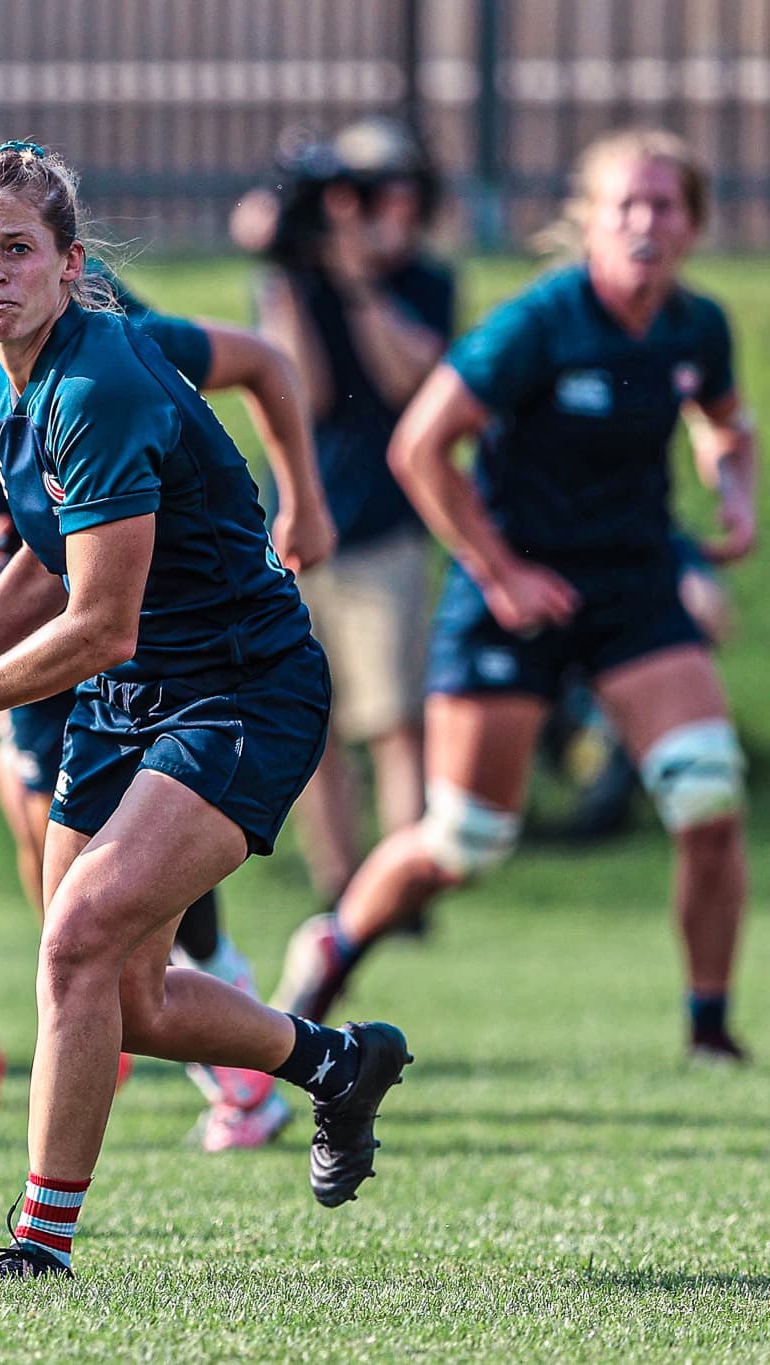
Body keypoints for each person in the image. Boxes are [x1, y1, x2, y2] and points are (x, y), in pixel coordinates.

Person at [0, 142, 412, 1278]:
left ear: (68, 264)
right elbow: (48, 565)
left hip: (239, 691)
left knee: (74, 944)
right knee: (126, 994)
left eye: (18, 248)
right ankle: (335, 1062)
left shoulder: (96, 384)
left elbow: (98, 623)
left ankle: (37, 1245)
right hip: (128, 700)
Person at [274, 129, 757, 1064]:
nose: (644, 223)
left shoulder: (697, 325)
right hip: (514, 592)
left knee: (708, 801)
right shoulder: (539, 323)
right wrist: (500, 571)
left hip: (634, 589)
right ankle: (330, 951)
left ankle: (708, 1029)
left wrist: (733, 492)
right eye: (625, 206)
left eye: (664, 205)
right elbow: (419, 446)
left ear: (692, 223)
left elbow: (726, 425)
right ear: (591, 222)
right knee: (464, 840)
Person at [250, 118, 456, 908]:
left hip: (382, 528)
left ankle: (401, 896)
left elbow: (411, 380)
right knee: (313, 727)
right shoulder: (293, 278)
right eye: (359, 192)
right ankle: (342, 891)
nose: (378, 207)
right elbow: (294, 385)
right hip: (298, 531)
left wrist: (359, 280)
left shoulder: (422, 281)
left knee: (394, 719)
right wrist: (291, 275)